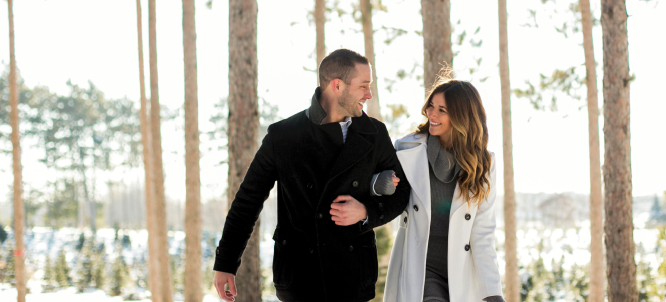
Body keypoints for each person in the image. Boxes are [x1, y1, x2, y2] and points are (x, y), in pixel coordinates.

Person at [212, 48, 411, 302]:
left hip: (352, 274)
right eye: (363, 86)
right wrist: (226, 262)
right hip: (300, 276)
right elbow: (248, 200)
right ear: (337, 86)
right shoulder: (283, 135)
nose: (369, 94)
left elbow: (403, 191)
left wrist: (365, 211)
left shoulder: (374, 133)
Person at [384, 78, 504, 302]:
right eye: (431, 106)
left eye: (442, 110)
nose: (431, 114)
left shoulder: (484, 164)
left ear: (461, 116)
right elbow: (384, 194)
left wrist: (493, 292)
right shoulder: (408, 150)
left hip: (462, 274)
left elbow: (482, 233)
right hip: (421, 270)